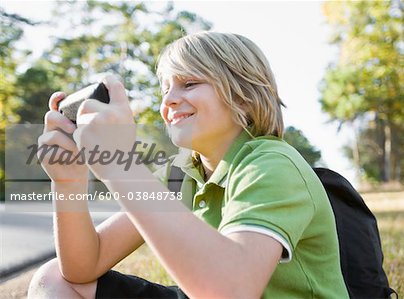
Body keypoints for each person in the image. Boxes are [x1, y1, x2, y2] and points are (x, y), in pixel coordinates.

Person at [28, 31, 349, 299]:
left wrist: (118, 167)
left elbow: (231, 290)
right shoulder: (180, 171)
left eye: (189, 83)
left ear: (243, 96)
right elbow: (83, 266)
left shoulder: (272, 164)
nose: (168, 100)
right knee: (54, 278)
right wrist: (68, 183)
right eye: (166, 88)